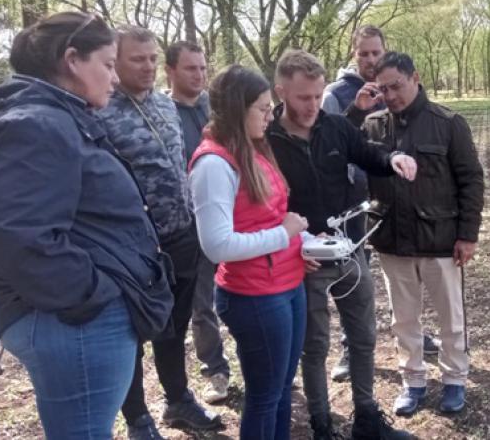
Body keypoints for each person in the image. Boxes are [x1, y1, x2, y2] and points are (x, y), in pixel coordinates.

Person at [0, 12, 173, 438]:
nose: (114, 77)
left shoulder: (55, 115)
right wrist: (96, 296)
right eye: (106, 63)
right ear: (72, 61)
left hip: (77, 321)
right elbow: (12, 230)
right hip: (75, 324)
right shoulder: (36, 123)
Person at [267, 49, 415, 440]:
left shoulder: (335, 126)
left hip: (349, 250)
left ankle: (367, 419)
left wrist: (395, 158)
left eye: (317, 96)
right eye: (303, 98)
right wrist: (294, 244)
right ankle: (322, 426)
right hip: (302, 262)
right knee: (314, 348)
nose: (313, 105)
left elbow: (368, 154)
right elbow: (264, 208)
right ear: (281, 91)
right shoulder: (266, 141)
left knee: (364, 336)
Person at [98, 25, 221, 438]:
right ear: (114, 60)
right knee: (131, 335)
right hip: (133, 250)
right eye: (138, 59)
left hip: (182, 239)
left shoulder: (166, 107)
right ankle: (137, 418)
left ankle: (178, 401)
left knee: (175, 326)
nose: (148, 66)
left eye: (152, 58)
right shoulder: (99, 110)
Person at [349, 52, 484, 416]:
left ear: (415, 77)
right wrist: (355, 112)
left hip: (440, 238)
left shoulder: (448, 123)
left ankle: (455, 379)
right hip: (392, 239)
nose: (391, 95)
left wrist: (467, 235)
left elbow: (471, 178)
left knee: (451, 316)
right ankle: (413, 382)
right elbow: (341, 146)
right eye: (384, 88)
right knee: (403, 319)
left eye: (397, 85)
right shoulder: (372, 125)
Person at [189, 64, 316, 440]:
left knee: (279, 393)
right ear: (235, 108)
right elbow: (217, 245)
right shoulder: (213, 164)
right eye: (262, 107)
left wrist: (299, 245)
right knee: (264, 397)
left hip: (286, 284)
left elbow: (265, 219)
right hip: (256, 296)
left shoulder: (252, 150)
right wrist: (283, 236)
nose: (270, 115)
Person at [322, 24, 439, 383]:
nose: (371, 60)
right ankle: (349, 346)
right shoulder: (335, 94)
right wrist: (357, 112)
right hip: (348, 204)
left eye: (376, 52)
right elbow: (328, 143)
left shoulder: (395, 84)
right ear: (353, 54)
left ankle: (416, 334)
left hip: (389, 196)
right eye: (364, 54)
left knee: (403, 272)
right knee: (352, 276)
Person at [165, 40, 232, 404]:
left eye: (203, 68)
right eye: (191, 68)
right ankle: (215, 369)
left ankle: (255, 356)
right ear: (171, 71)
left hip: (230, 220)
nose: (200, 75)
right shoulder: (161, 113)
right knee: (201, 303)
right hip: (190, 228)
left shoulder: (214, 109)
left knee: (240, 293)